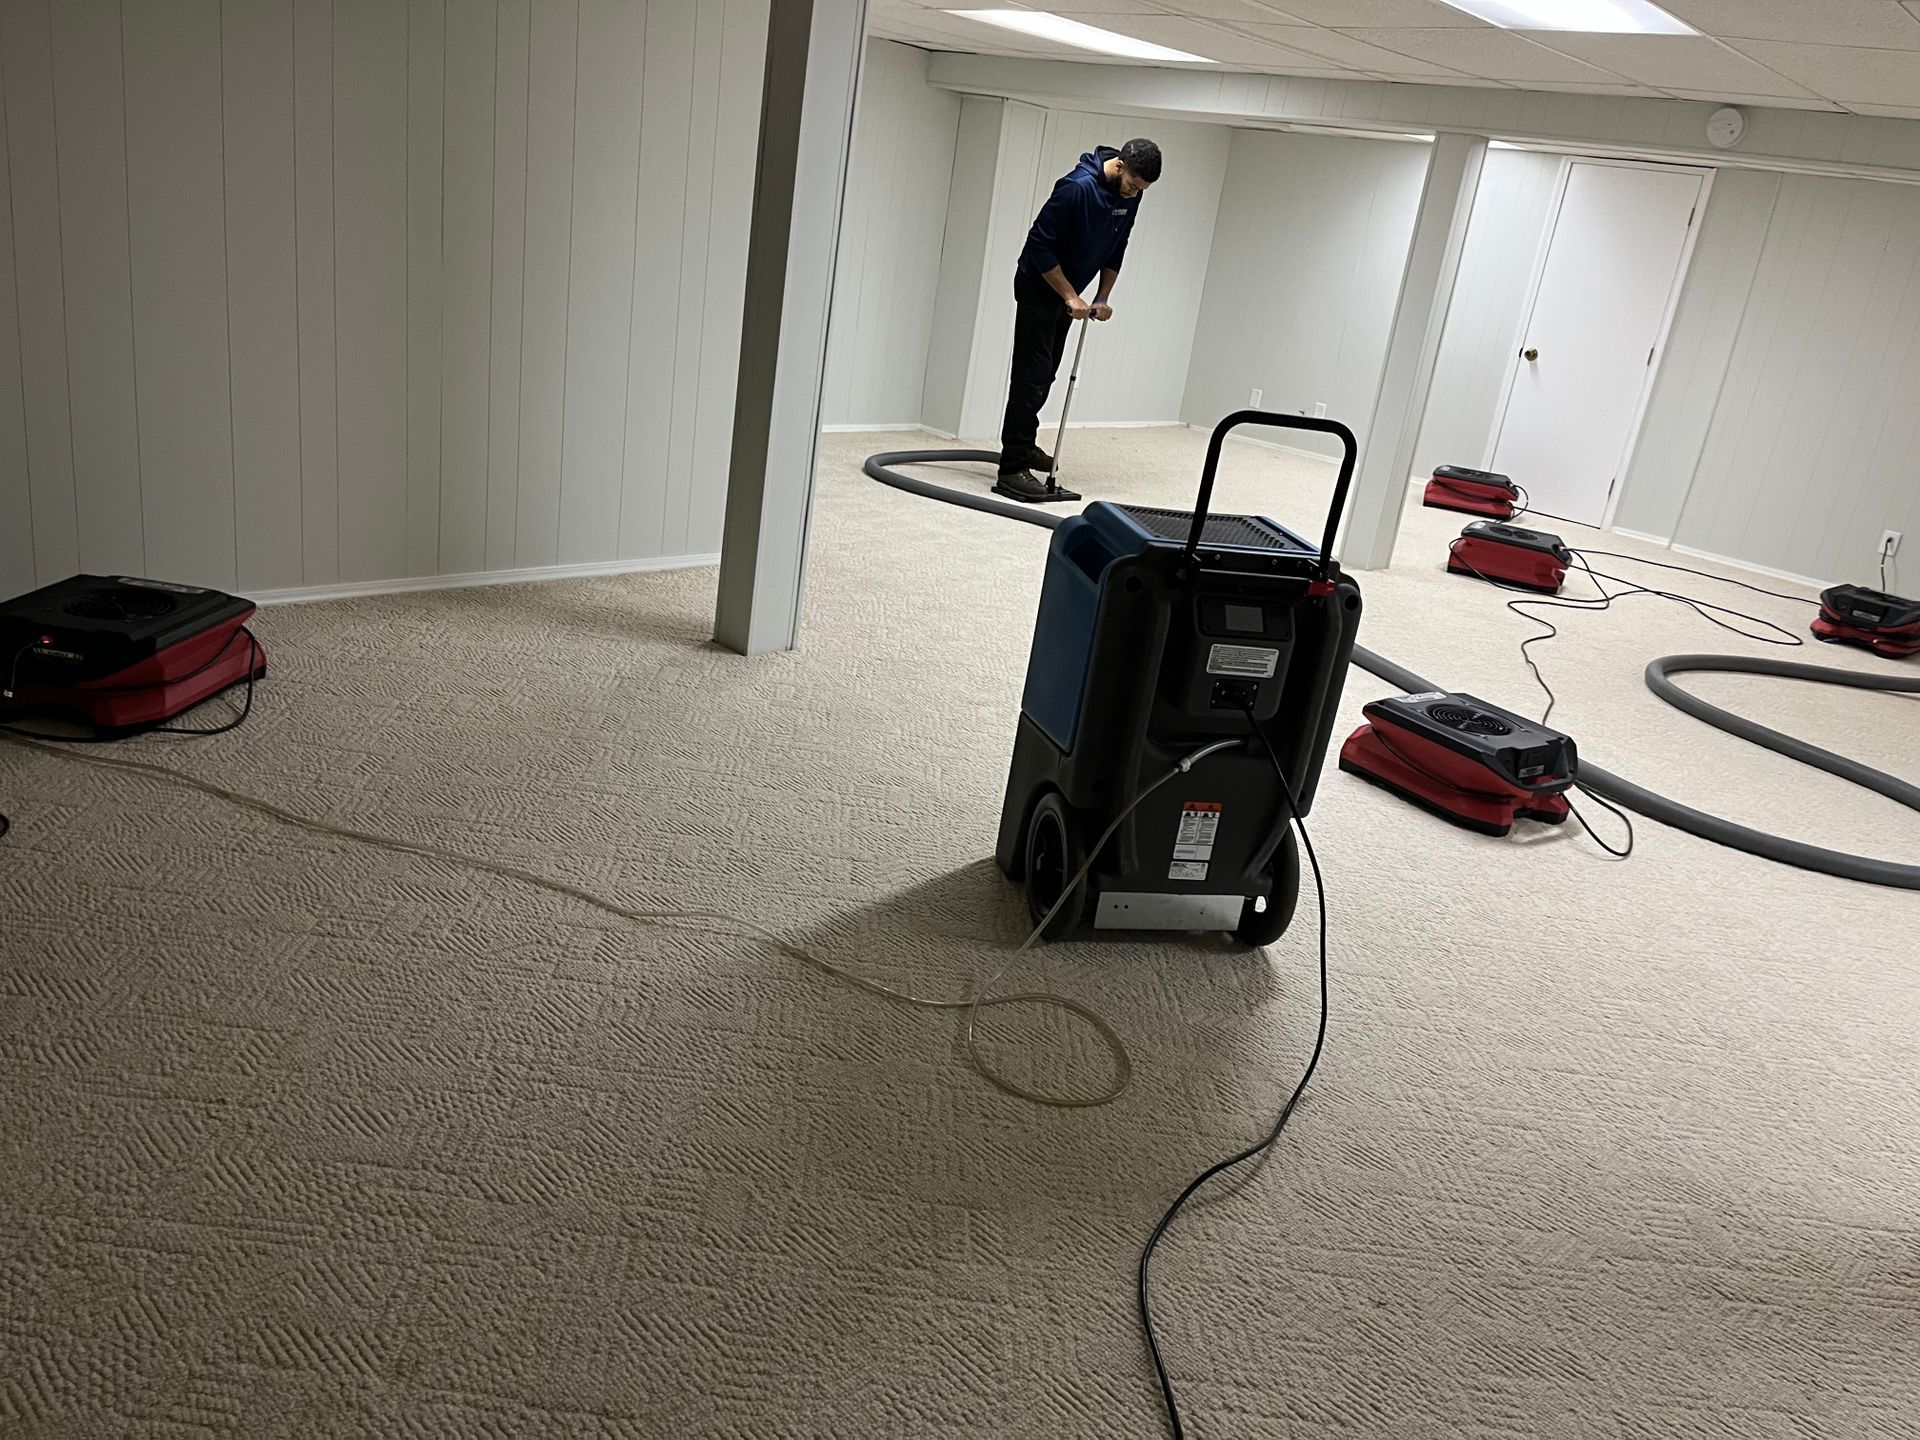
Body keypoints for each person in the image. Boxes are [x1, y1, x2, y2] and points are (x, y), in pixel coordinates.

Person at [996, 137, 1161, 500]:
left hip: (1072, 295)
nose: (1134, 195)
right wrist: (1070, 294)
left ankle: (1023, 444)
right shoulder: (1075, 188)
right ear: (1119, 166)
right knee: (1032, 374)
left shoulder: (1131, 196)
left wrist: (1102, 297)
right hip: (1040, 285)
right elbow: (1038, 245)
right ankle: (1011, 468)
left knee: (1049, 372)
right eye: (1133, 185)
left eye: (1141, 190)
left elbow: (1117, 248)